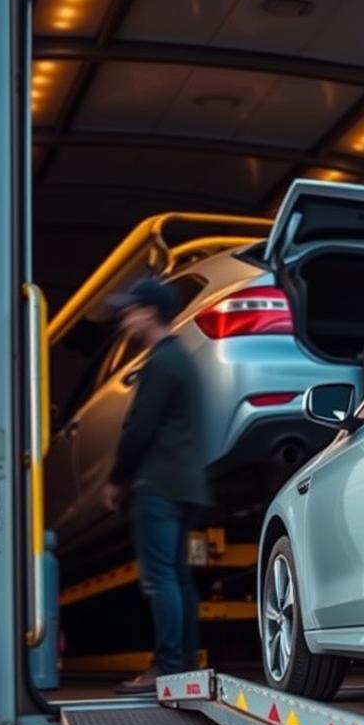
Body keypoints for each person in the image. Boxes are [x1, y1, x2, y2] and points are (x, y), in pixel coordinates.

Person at [101, 279, 209, 695]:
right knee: (178, 577)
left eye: (129, 310)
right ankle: (181, 665)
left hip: (157, 484)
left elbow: (139, 427)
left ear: (148, 312)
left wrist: (117, 478)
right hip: (184, 484)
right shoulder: (182, 358)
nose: (124, 319)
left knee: (160, 577)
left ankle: (166, 668)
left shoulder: (161, 361)